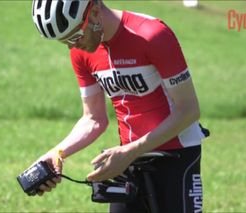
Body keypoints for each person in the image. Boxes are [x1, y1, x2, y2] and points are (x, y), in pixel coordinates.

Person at [31, 0, 207, 212]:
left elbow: (188, 110)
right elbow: (94, 118)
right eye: (64, 41)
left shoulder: (152, 35)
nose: (72, 46)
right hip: (126, 160)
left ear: (95, 13)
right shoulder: (82, 51)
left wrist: (130, 152)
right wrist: (58, 152)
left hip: (176, 156)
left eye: (74, 36)